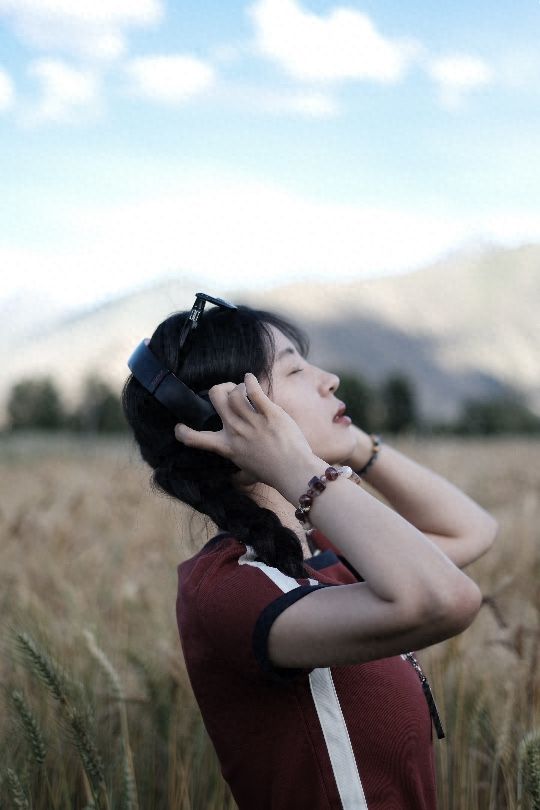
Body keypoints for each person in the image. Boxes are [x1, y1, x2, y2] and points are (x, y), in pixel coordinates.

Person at [122, 297, 498, 810]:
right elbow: (446, 599)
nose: (330, 380)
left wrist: (355, 446)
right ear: (230, 414)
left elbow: (472, 530)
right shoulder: (230, 590)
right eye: (295, 369)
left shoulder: (322, 552)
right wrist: (298, 466)